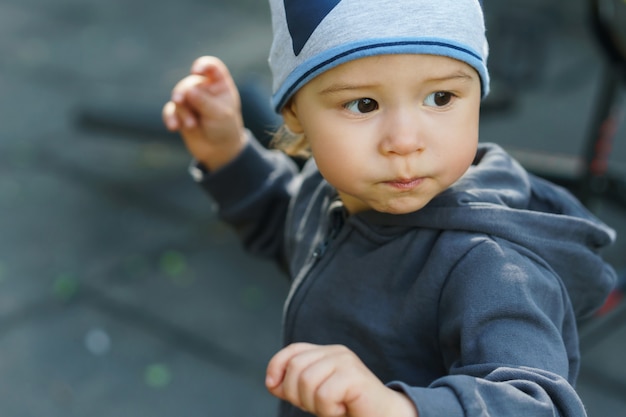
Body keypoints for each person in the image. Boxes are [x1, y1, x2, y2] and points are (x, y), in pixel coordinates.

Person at [162, 0, 618, 416]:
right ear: (295, 113)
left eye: (440, 98)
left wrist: (398, 407)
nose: (404, 141)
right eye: (363, 104)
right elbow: (285, 224)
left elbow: (539, 405)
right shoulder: (334, 191)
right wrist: (226, 152)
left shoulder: (490, 266)